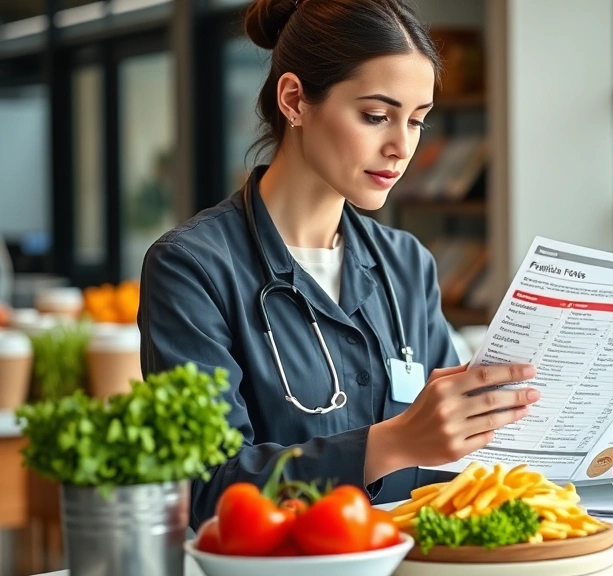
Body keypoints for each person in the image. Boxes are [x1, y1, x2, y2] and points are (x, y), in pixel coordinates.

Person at [138, 0, 539, 530]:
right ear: (294, 99)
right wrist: (391, 444)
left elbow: (454, 462)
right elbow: (207, 487)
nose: (401, 146)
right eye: (376, 116)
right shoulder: (191, 268)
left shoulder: (406, 264)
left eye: (417, 121)